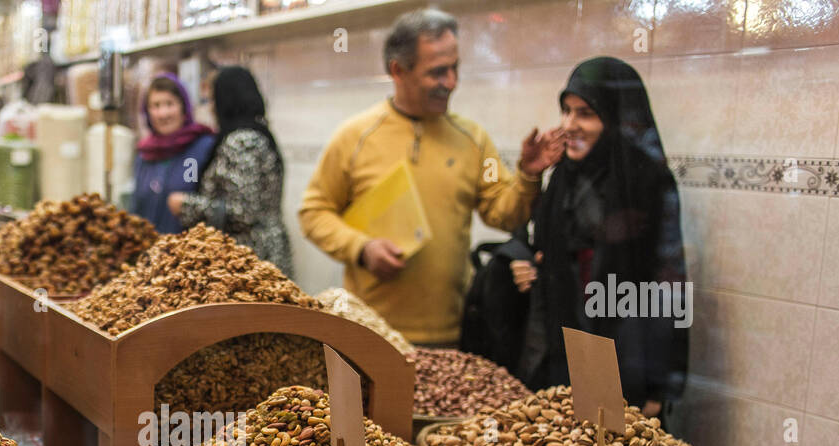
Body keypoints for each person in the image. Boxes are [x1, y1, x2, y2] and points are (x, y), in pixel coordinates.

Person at [298, 8, 563, 344]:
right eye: (438, 72)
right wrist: (362, 248)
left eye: (455, 69)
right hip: (368, 333)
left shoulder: (474, 139)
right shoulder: (355, 136)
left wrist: (527, 175)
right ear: (398, 70)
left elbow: (503, 213)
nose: (451, 82)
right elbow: (313, 212)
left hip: (452, 334)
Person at [512, 56, 688, 417]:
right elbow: (544, 243)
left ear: (616, 118)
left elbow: (667, 280)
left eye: (585, 113)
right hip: (560, 347)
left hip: (622, 352)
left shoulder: (646, 182)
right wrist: (527, 261)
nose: (569, 125)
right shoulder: (564, 176)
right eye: (566, 110)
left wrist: (659, 383)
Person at [167, 66, 295, 276]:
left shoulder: (242, 141)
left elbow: (243, 211)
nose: (211, 108)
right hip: (263, 254)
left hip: (252, 259)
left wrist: (186, 205)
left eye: (213, 100)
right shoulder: (256, 133)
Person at [131, 74, 216, 234]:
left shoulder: (202, 147)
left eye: (170, 104)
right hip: (150, 254)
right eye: (155, 106)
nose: (163, 113)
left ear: (184, 107)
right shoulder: (144, 154)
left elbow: (216, 205)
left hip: (190, 254)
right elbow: (136, 209)